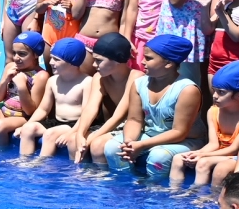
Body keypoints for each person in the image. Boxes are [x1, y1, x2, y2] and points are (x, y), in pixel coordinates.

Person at [104, 34, 201, 175]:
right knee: (113, 147)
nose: (142, 62)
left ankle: (155, 191)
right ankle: (124, 187)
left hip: (186, 141)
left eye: (148, 58)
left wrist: (141, 145)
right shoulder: (139, 84)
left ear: (168, 63)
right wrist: (129, 143)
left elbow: (179, 132)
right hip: (150, 136)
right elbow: (134, 120)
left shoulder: (187, 90)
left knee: (158, 157)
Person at [170, 61, 239, 191]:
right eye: (214, 91)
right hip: (219, 152)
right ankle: (174, 192)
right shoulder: (213, 111)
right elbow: (213, 144)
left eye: (221, 92)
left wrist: (202, 156)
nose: (214, 96)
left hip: (237, 155)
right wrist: (196, 153)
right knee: (178, 158)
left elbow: (234, 149)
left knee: (205, 163)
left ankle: (203, 196)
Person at [17, 36, 92, 157]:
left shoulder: (87, 82)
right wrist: (25, 125)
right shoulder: (53, 81)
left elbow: (86, 115)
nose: (51, 62)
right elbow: (43, 109)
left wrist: (72, 132)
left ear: (73, 62)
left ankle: (41, 165)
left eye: (56, 59)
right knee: (28, 129)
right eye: (51, 58)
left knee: (49, 134)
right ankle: (24, 162)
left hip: (75, 124)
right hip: (57, 122)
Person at [77, 33, 144, 163]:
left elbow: (119, 115)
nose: (94, 65)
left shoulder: (136, 77)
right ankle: (83, 178)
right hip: (115, 125)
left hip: (132, 126)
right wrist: (80, 134)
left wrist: (93, 137)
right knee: (74, 142)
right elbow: (91, 108)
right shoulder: (99, 77)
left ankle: (104, 180)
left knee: (97, 145)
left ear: (117, 60)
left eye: (99, 60)